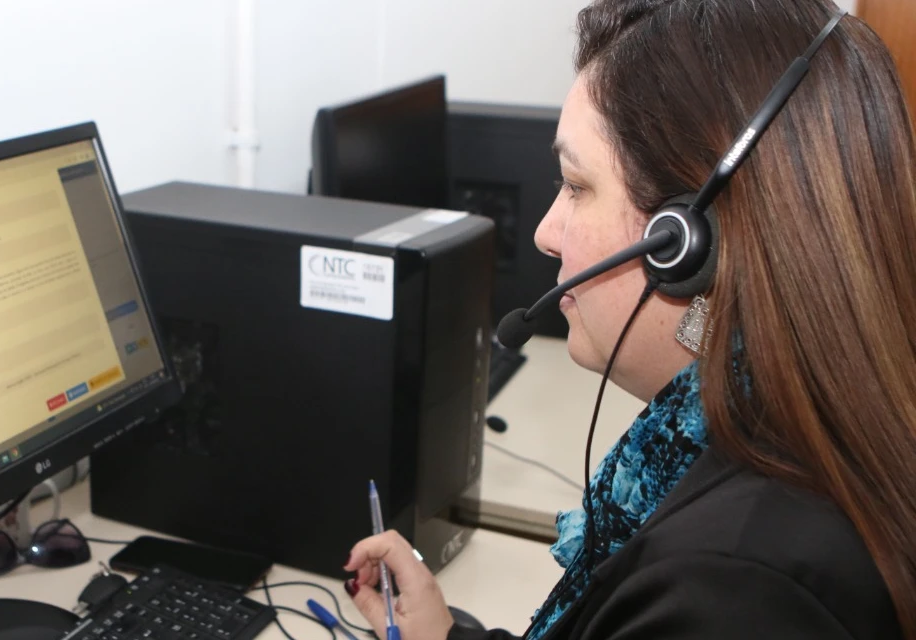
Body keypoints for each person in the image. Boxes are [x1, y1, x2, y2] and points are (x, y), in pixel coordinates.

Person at [343, 0, 916, 638]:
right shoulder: (761, 431)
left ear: (685, 241)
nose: (544, 233)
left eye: (575, 185)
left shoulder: (729, 592)